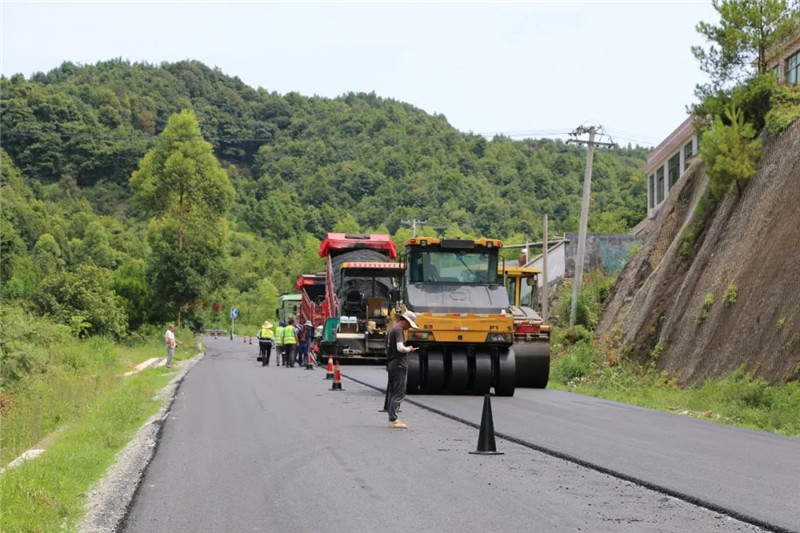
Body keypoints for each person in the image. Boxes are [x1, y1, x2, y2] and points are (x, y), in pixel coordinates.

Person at [386, 310, 418, 429]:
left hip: (392, 364)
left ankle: (392, 417)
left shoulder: (392, 330)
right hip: (399, 365)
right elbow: (400, 348)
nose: (409, 327)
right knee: (399, 392)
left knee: (394, 391)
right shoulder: (398, 330)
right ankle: (393, 419)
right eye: (409, 324)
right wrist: (409, 349)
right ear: (405, 321)